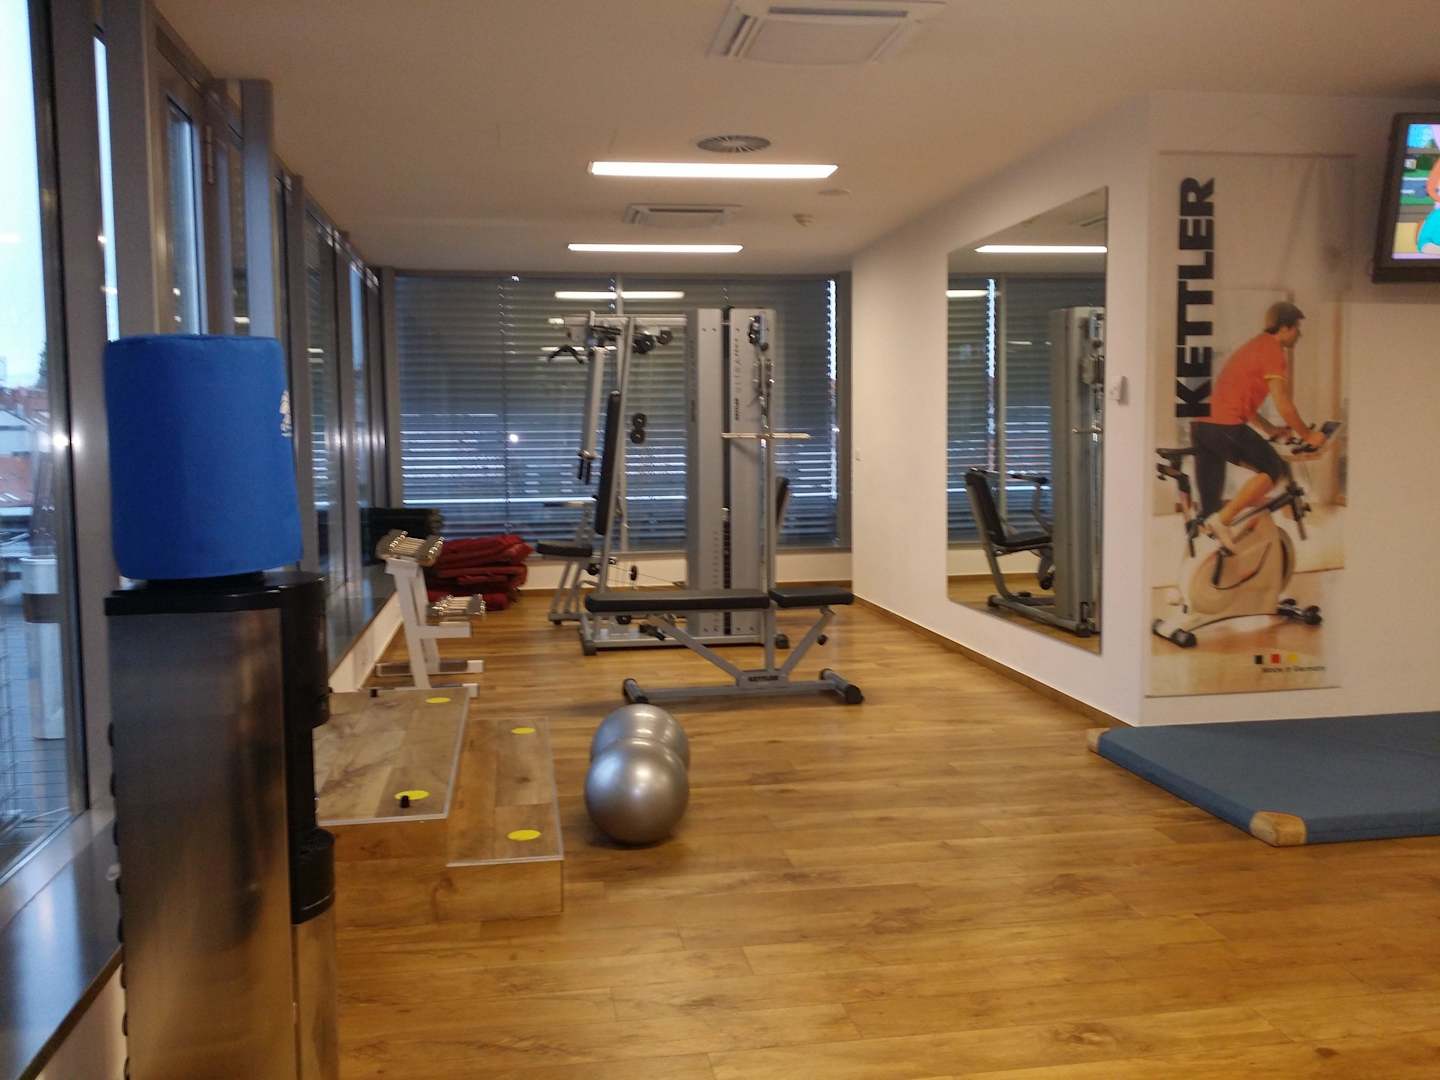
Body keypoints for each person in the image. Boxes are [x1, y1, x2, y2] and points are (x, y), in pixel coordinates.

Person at [1192, 301, 1324, 552]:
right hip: (1223, 424)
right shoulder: (1273, 351)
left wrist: (1271, 430)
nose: (1299, 334)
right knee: (1273, 468)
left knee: (1208, 514)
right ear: (1284, 328)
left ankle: (1215, 559)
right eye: (1296, 328)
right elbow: (1283, 403)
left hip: (1202, 426)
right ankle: (1223, 520)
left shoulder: (1254, 346)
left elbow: (1247, 406)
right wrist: (1308, 435)